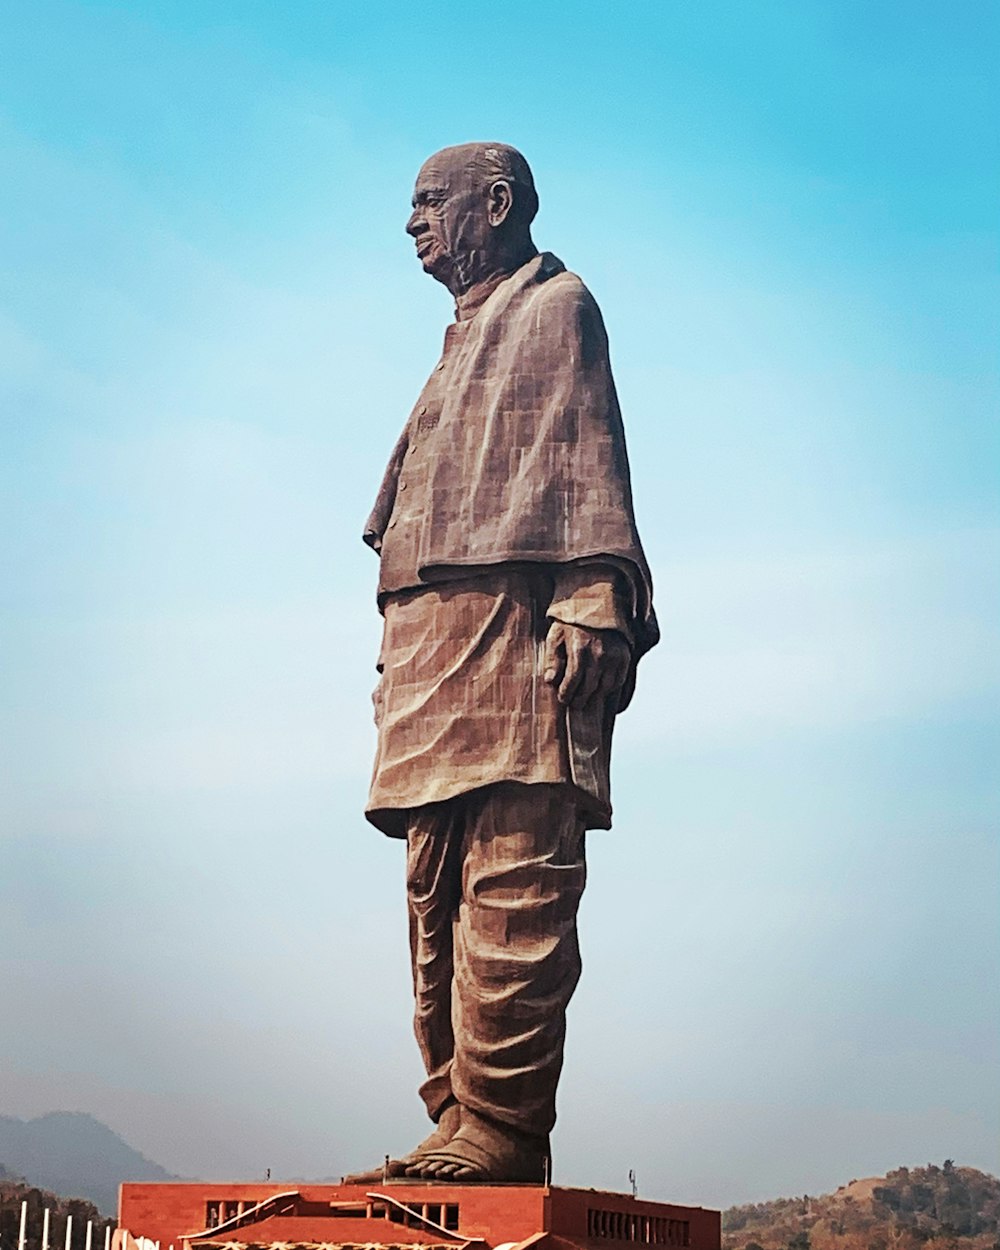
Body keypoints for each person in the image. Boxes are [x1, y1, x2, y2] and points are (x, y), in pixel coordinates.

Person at [349, 142, 657, 1184]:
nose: (413, 221)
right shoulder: (463, 334)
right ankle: (454, 1110)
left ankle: (505, 1123)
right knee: (433, 880)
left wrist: (589, 592)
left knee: (516, 871)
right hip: (434, 642)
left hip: (517, 632)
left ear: (498, 202)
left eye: (429, 200)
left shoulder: (554, 307)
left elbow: (585, 460)